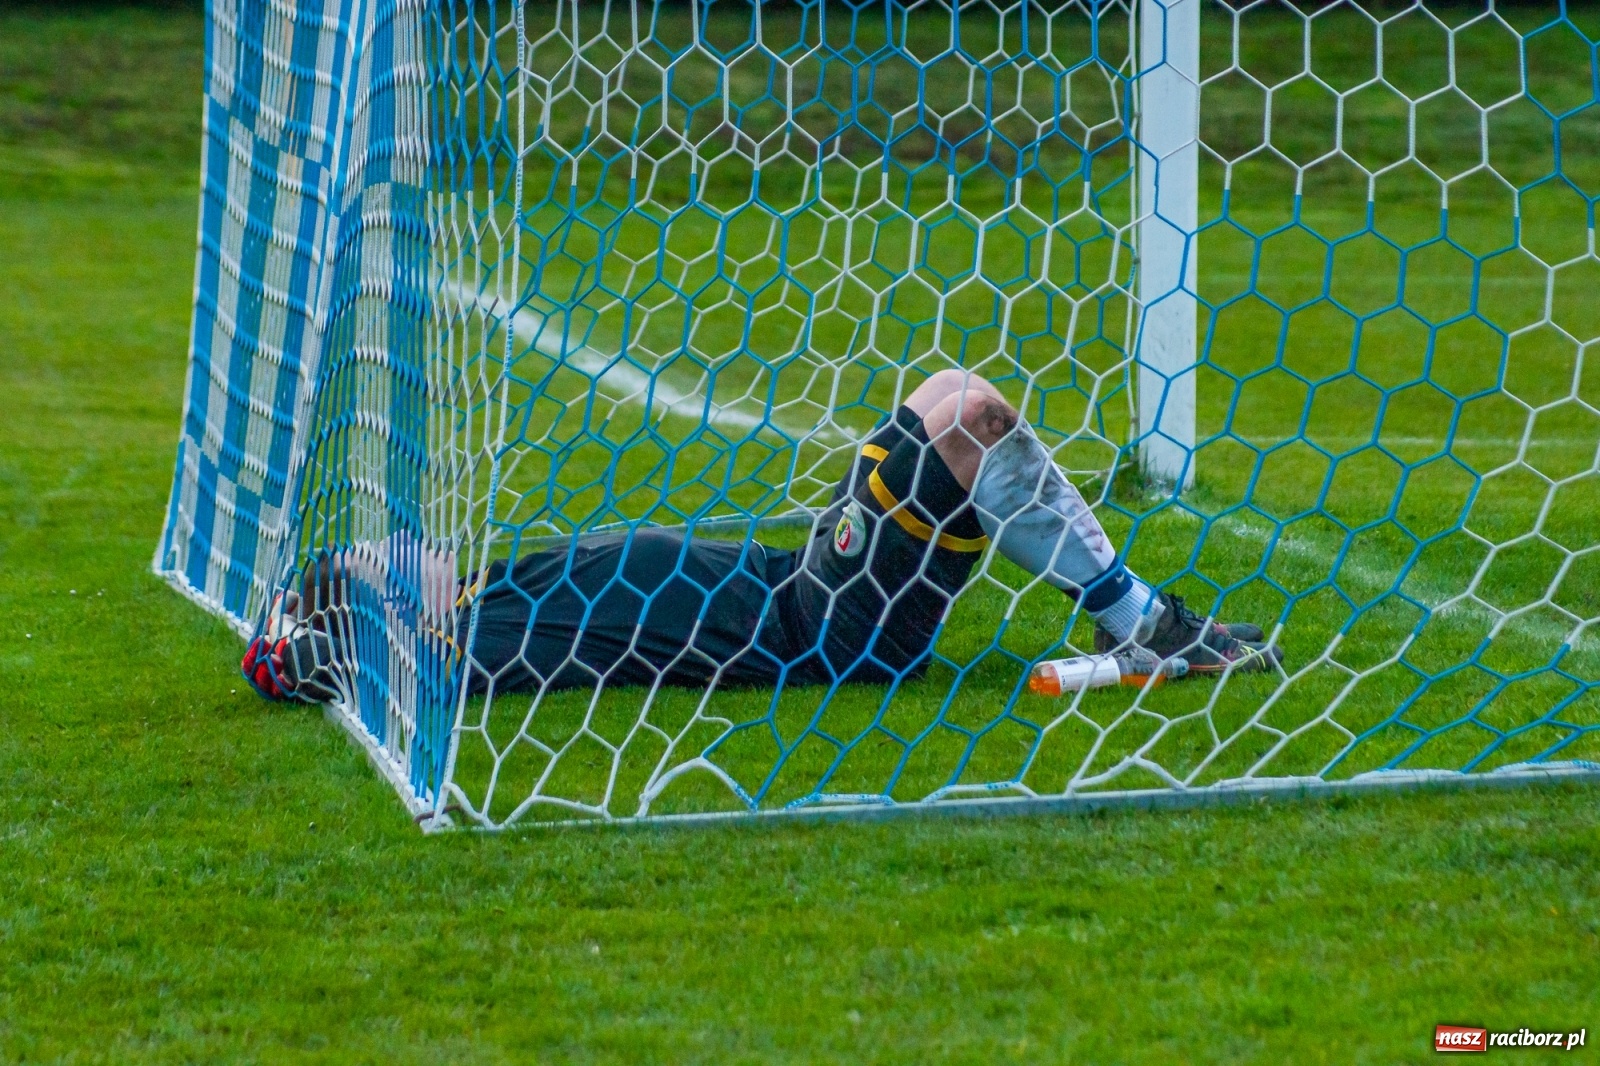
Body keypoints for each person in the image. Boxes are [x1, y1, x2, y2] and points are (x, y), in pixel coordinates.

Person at [242, 370, 1281, 703]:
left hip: (803, 579)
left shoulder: (486, 587)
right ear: (398, 614)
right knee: (969, 415)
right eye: (383, 570)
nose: (400, 548)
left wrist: (319, 587)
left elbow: (377, 570)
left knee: (955, 398)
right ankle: (1147, 627)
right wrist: (304, 649)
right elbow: (387, 667)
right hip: (823, 630)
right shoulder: (490, 638)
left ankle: (1139, 621)